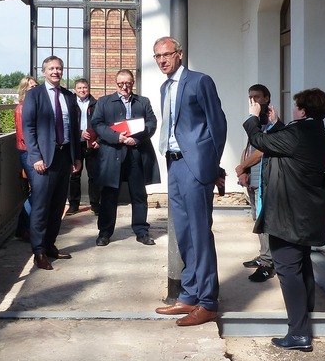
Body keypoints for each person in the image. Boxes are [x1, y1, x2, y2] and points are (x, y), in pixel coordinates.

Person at [244, 88, 325, 353]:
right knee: (302, 265)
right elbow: (287, 145)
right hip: (305, 213)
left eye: (296, 106)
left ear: (303, 110)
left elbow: (262, 141)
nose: (294, 109)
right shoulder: (317, 132)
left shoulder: (299, 133)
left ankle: (298, 333)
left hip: (289, 215)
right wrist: (277, 124)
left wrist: (252, 118)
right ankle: (305, 317)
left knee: (287, 270)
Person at [152, 36, 227, 327]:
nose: (162, 60)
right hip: (173, 162)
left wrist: (211, 167)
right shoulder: (164, 87)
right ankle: (190, 293)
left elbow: (217, 125)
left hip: (195, 166)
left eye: (166, 54)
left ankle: (208, 302)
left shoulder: (200, 81)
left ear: (179, 54)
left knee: (199, 233)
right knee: (183, 233)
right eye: (157, 56)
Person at [22, 55, 82, 271]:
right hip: (43, 160)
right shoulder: (34, 95)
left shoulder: (68, 96)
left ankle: (50, 246)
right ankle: (38, 251)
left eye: (59, 68)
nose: (56, 72)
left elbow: (74, 130)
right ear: (44, 71)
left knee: (58, 206)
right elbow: (28, 128)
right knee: (40, 206)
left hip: (64, 156)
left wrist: (76, 157)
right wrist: (35, 156)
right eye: (52, 68)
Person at [91, 69, 161, 246]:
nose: (124, 87)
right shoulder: (104, 102)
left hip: (136, 154)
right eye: (121, 84)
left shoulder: (143, 102)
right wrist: (117, 137)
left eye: (128, 83)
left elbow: (151, 124)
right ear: (116, 84)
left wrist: (136, 139)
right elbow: (97, 124)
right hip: (112, 154)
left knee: (139, 195)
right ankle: (105, 233)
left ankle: (141, 231)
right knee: (108, 195)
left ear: (132, 83)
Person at [236, 84, 275, 282]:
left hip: (264, 180)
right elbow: (250, 146)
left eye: (257, 97)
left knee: (264, 221)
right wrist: (243, 170)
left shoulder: (269, 120)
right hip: (252, 179)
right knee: (257, 220)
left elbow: (261, 151)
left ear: (267, 98)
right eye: (250, 97)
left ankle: (268, 263)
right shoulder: (255, 120)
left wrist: (241, 167)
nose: (253, 101)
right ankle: (263, 256)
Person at [68, 78, 100, 215]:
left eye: (85, 88)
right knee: (74, 175)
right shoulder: (70, 104)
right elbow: (66, 124)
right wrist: (80, 133)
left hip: (92, 144)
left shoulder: (96, 104)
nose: (82, 90)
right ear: (75, 90)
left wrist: (98, 139)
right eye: (79, 88)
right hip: (76, 143)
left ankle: (95, 205)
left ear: (89, 89)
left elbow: (101, 123)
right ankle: (74, 205)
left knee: (94, 176)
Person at [14, 76, 40, 240]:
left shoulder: (35, 106)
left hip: (34, 153)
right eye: (31, 87)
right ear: (24, 90)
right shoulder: (22, 109)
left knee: (38, 191)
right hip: (29, 153)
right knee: (37, 191)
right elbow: (25, 136)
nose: (35, 89)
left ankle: (25, 228)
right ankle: (23, 227)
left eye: (36, 86)